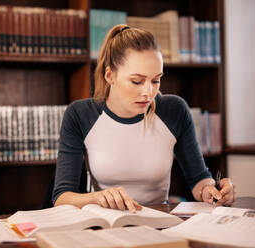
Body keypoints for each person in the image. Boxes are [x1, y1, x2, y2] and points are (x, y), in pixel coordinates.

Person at [52, 24, 235, 212]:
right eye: (137, 81)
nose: (148, 92)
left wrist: (211, 191)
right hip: (106, 224)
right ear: (110, 76)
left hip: (160, 223)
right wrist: (97, 198)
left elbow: (199, 180)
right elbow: (62, 196)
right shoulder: (80, 114)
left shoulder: (175, 110)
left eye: (156, 80)